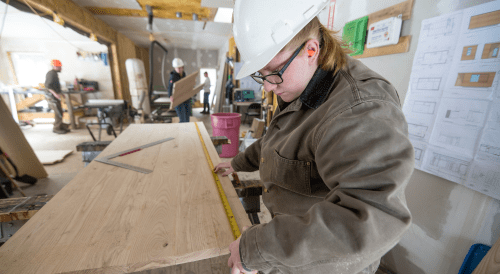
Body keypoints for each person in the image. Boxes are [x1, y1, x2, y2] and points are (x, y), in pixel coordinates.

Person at [214, 1, 415, 274]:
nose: (270, 87)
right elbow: (278, 139)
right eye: (261, 76)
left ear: (311, 50)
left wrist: (258, 248)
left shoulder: (359, 109)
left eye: (274, 73)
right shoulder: (301, 84)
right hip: (293, 249)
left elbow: (370, 222)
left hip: (325, 263)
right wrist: (237, 163)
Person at [44, 59, 69, 134]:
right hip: (52, 97)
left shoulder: (54, 73)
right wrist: (55, 94)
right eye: (59, 67)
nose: (61, 68)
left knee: (60, 112)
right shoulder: (51, 74)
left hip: (55, 96)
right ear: (54, 66)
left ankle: (61, 126)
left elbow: (56, 86)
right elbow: (48, 86)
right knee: (58, 113)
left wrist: (61, 93)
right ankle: (56, 128)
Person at [168, 58, 190, 123]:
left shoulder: (183, 74)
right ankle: (182, 131)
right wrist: (170, 96)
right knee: (183, 120)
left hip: (185, 98)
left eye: (181, 68)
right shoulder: (173, 77)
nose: (180, 69)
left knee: (187, 119)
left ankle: (186, 131)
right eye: (178, 68)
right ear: (175, 68)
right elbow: (170, 87)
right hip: (178, 99)